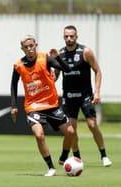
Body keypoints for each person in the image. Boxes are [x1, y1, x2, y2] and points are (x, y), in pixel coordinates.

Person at [10, 35, 74, 176]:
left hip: (52, 104)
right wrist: (13, 105)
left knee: (71, 133)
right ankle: (51, 168)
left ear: (36, 45)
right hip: (33, 106)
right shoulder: (18, 65)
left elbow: (67, 70)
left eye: (31, 46)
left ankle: (64, 156)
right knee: (39, 135)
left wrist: (57, 58)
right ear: (22, 49)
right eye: (26, 47)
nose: (29, 49)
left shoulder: (45, 58)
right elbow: (13, 84)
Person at [55, 25, 112, 167]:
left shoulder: (85, 52)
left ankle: (104, 155)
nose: (69, 39)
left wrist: (97, 92)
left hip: (85, 96)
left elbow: (97, 71)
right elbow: (55, 76)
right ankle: (77, 158)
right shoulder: (60, 54)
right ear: (63, 37)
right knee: (71, 130)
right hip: (68, 97)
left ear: (76, 36)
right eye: (66, 36)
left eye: (71, 36)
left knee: (92, 124)